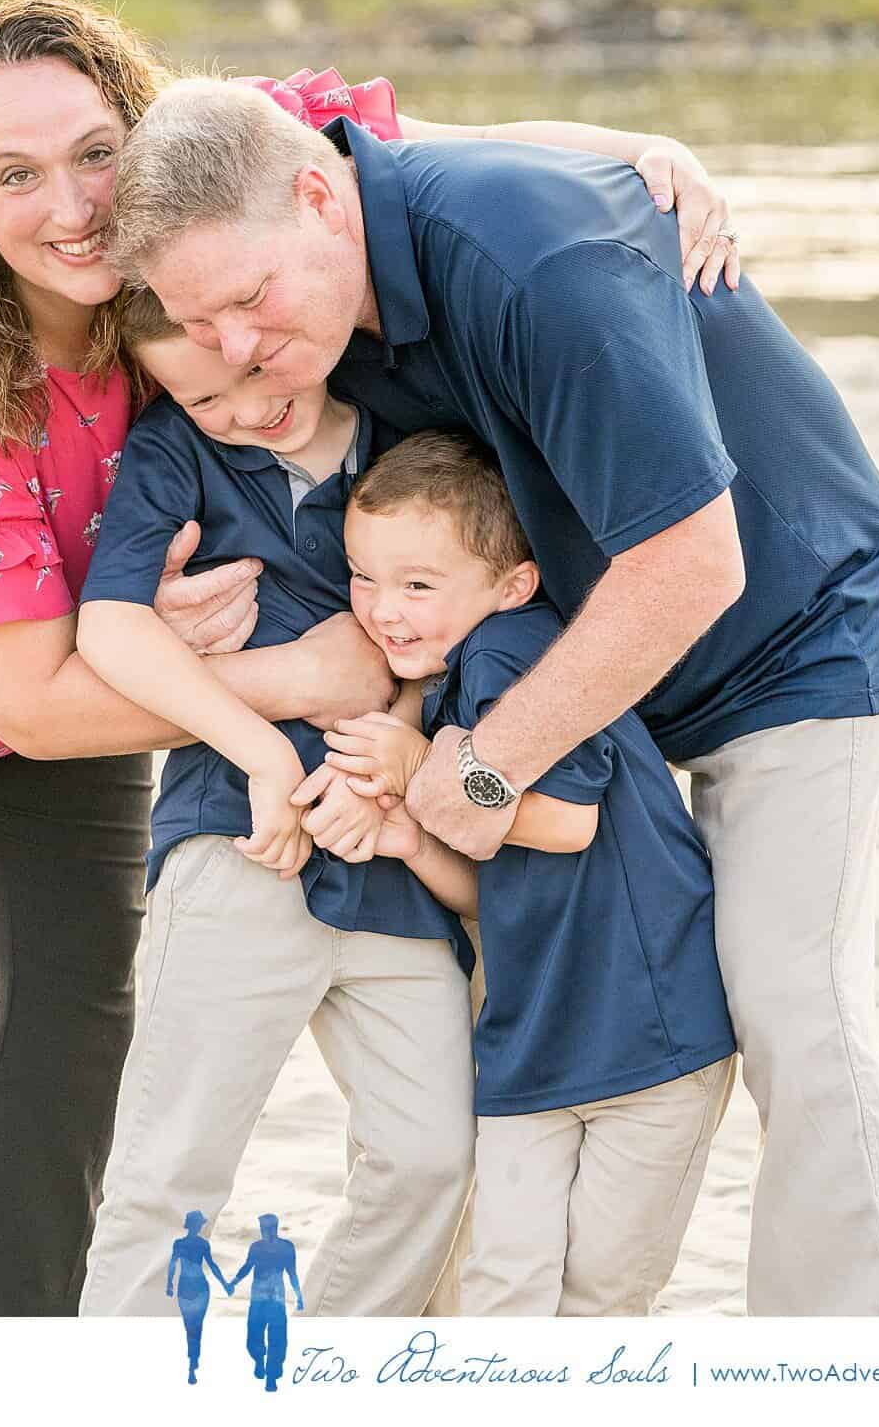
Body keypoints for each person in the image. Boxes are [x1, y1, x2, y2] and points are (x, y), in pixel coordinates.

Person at [0, 0, 746, 1318]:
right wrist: (289, 682)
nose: (77, 204)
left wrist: (626, 158)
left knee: (72, 991)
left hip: (94, 650)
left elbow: (388, 156)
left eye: (97, 153)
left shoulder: (201, 173)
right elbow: (31, 708)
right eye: (19, 175)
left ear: (141, 132)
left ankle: (16, 1352)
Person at [110, 79, 879, 1316]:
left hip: (777, 635)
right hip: (582, 653)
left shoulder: (532, 261)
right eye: (197, 320)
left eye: (248, 299)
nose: (233, 349)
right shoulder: (313, 304)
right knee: (508, 1000)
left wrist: (478, 770)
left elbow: (694, 566)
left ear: (322, 200)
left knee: (788, 1001)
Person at [77, 299, 598, 1319]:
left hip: (388, 868)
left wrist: (389, 761)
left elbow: (438, 641)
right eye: (202, 396)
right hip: (237, 842)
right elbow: (110, 627)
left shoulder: (407, 443)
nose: (242, 408)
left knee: (429, 1157)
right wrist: (262, 754)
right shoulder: (176, 452)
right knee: (169, 1169)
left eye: (253, 374)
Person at [328, 431, 737, 1315]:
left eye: (418, 585)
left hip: (644, 1033)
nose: (383, 609)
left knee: (571, 1294)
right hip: (535, 1039)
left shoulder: (510, 648)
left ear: (512, 583)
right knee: (538, 1289)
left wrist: (417, 763)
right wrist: (411, 841)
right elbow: (495, 881)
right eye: (364, 577)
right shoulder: (463, 668)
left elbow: (565, 823)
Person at [227, 1216, 302, 1391]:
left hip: (276, 1300)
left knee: (277, 1339)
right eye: (262, 1228)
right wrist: (233, 1283)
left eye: (267, 1228)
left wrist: (299, 1296)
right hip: (258, 1298)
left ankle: (271, 1376)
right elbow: (247, 1267)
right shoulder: (257, 1247)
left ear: (275, 1228)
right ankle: (260, 1361)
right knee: (254, 1336)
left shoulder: (286, 1247)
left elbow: (292, 1273)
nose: (264, 1231)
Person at [167, 1211, 232, 1384]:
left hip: (197, 1287)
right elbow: (172, 1265)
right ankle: (190, 1364)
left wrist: (225, 1283)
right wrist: (168, 1284)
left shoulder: (197, 1244)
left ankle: (192, 1366)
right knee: (190, 1326)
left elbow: (212, 1265)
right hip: (190, 1287)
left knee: (195, 1327)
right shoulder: (181, 1244)